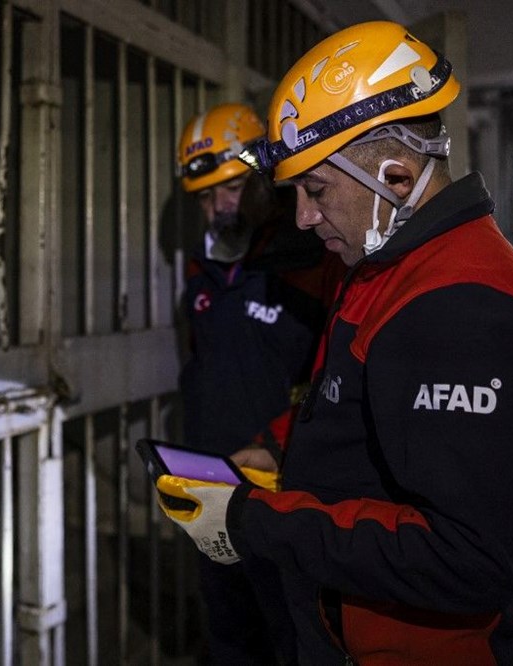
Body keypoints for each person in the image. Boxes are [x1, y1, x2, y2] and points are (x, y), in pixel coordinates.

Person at [157, 21, 513, 665]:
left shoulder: (460, 309)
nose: (303, 218)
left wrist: (254, 521)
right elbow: (351, 404)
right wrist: (273, 448)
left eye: (316, 191)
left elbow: (470, 560)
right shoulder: (385, 267)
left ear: (397, 179)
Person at [174, 102, 344, 664]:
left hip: (285, 491)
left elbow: (337, 380)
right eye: (205, 197)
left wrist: (274, 443)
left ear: (265, 178)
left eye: (231, 188)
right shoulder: (204, 268)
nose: (219, 207)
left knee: (292, 633)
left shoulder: (317, 261)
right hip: (210, 486)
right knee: (227, 626)